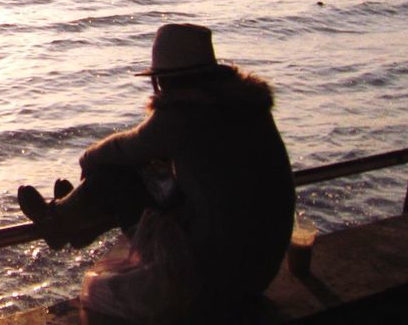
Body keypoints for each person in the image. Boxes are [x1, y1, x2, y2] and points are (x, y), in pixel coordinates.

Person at [16, 23, 295, 322]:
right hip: (258, 272)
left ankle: (57, 222)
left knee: (113, 175)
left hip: (211, 280)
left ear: (163, 80)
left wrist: (86, 160)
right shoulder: (249, 107)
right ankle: (77, 221)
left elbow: (122, 149)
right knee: (155, 178)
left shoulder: (183, 114)